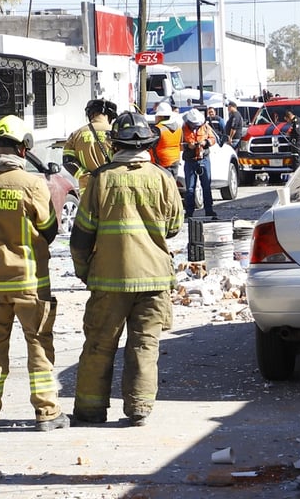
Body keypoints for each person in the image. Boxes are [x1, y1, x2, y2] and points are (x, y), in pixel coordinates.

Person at [70, 111, 183, 427]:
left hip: (109, 280)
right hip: (155, 279)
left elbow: (81, 235)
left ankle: (90, 411)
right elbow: (174, 226)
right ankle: (138, 408)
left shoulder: (101, 179)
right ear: (148, 143)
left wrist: (84, 270)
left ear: (114, 144)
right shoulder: (163, 178)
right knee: (145, 345)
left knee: (98, 345)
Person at [0, 116, 67, 433]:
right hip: (30, 283)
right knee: (38, 343)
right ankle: (47, 412)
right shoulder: (34, 184)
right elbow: (49, 229)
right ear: (23, 150)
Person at [63, 98, 117, 191]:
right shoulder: (117, 133)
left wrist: (85, 176)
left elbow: (68, 161)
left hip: (87, 192)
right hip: (112, 189)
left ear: (90, 114)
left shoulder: (76, 134)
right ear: (110, 116)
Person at [181, 109, 218, 218]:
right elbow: (179, 143)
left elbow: (213, 139)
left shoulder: (205, 127)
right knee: (190, 188)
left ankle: (209, 210)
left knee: (206, 186)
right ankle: (189, 212)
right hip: (190, 160)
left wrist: (205, 143)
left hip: (203, 159)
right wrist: (188, 146)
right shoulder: (183, 128)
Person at [150, 102, 183, 172]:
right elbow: (181, 143)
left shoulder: (157, 129)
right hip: (175, 161)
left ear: (161, 116)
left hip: (161, 163)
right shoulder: (179, 127)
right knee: (172, 182)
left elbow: (149, 145)